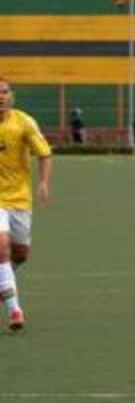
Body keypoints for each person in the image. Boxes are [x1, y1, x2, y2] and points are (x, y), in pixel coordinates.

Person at [0, 78, 54, 331]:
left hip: (20, 198)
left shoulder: (24, 122)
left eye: (4, 92)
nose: (1, 96)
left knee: (20, 254)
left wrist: (43, 183)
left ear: (12, 95)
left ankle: (3, 284)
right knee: (1, 247)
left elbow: (44, 154)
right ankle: (14, 309)